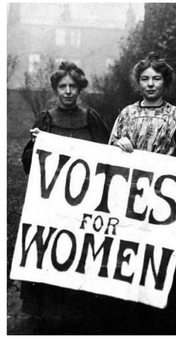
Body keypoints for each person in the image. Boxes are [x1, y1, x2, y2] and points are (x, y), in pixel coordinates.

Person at [108, 52, 176, 333]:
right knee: (130, 258)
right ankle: (129, 324)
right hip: (130, 201)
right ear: (138, 82)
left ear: (165, 82)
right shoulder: (126, 114)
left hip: (163, 204)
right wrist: (120, 143)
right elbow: (109, 152)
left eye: (156, 78)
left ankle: (167, 326)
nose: (150, 84)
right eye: (144, 78)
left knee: (163, 260)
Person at [20, 61, 113, 334]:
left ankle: (81, 315)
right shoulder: (45, 120)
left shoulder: (92, 118)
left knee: (81, 255)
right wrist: (37, 143)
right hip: (53, 204)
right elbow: (28, 163)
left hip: (86, 202)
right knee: (53, 253)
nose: (68, 91)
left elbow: (109, 160)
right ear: (55, 89)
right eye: (63, 87)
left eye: (73, 86)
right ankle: (52, 315)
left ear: (80, 89)